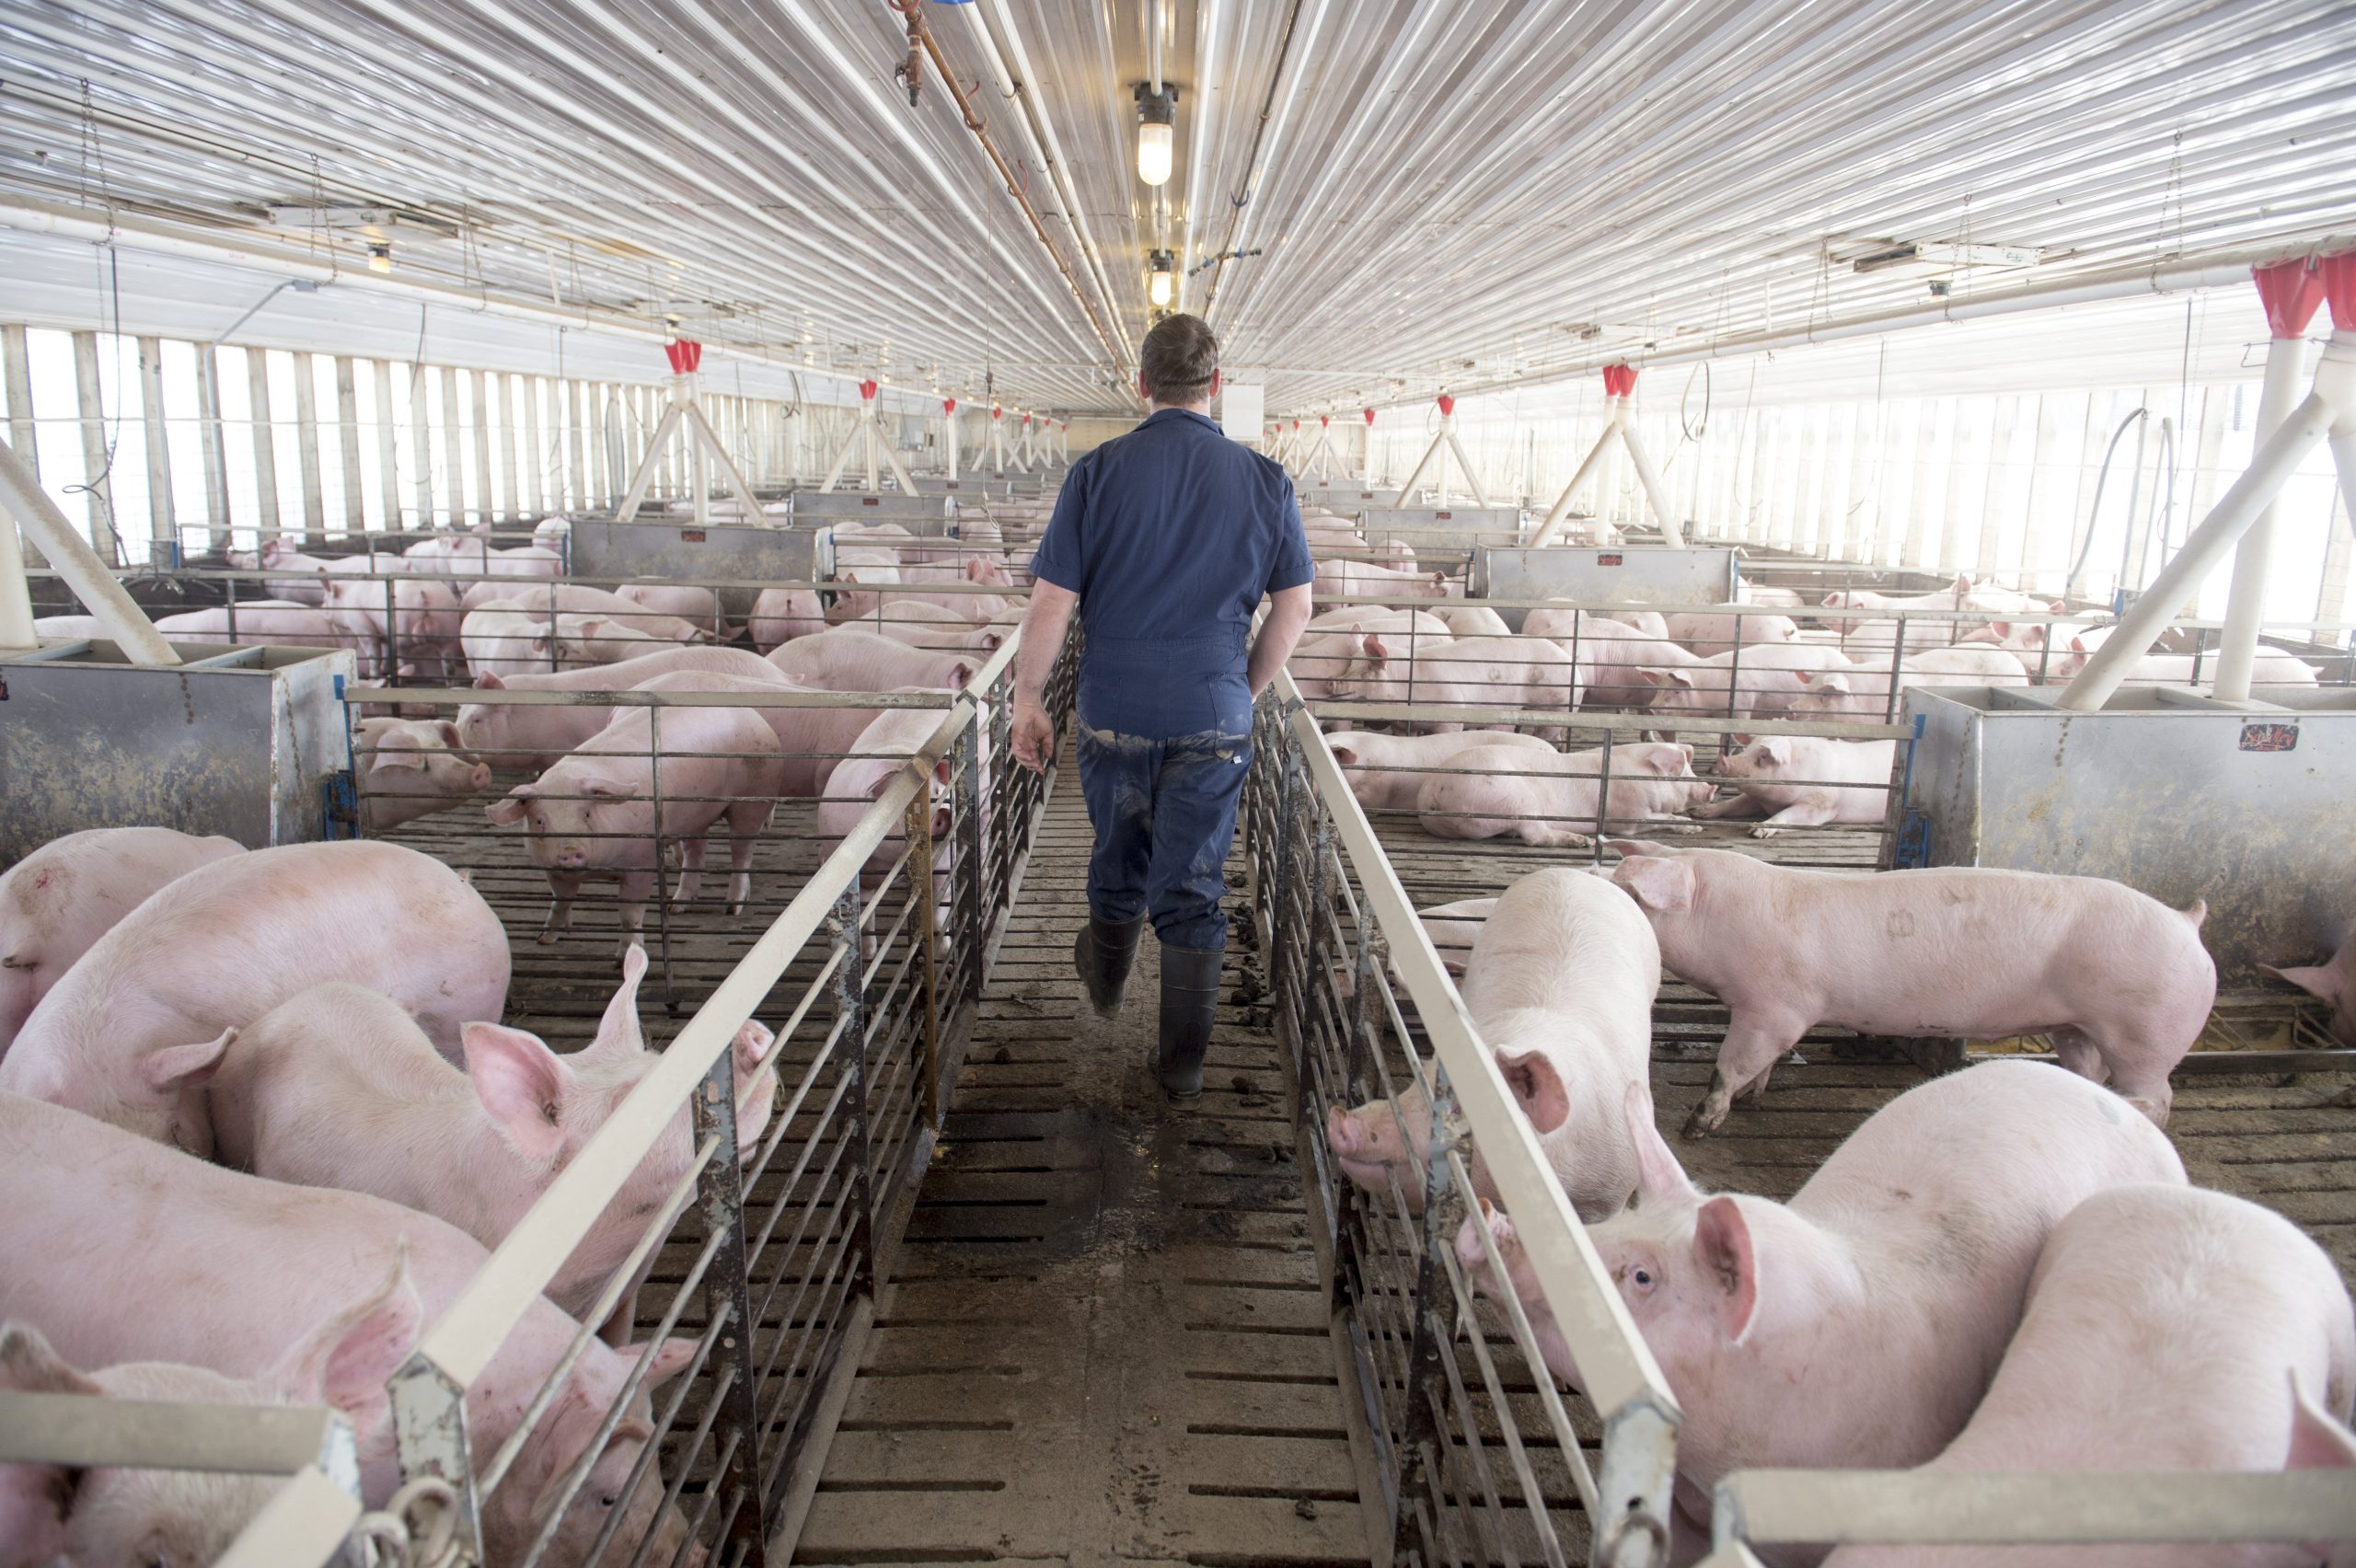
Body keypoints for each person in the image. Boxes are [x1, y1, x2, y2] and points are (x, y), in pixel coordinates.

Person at [1006, 315, 1315, 1102]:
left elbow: (1051, 603)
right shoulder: (1266, 479)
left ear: (1141, 384)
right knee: (1196, 881)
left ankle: (1106, 989)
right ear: (1216, 386)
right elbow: (1295, 609)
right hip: (1213, 709)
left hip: (1114, 708)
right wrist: (1239, 691)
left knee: (1118, 853)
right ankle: (1182, 1068)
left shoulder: (1097, 473)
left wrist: (1028, 697)